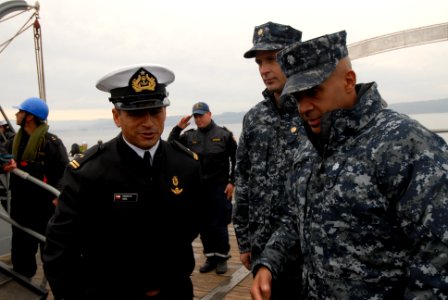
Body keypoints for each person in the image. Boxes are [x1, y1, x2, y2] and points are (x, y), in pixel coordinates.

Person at [251, 30, 448, 299]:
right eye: (297, 97)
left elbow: (439, 257)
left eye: (313, 92)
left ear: (348, 80)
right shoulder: (308, 149)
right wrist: (269, 262)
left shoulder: (407, 145)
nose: (304, 107)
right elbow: (293, 220)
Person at [43, 64, 205, 299]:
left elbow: (192, 225)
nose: (148, 122)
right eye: (137, 113)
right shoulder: (88, 173)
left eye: (156, 110)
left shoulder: (186, 165)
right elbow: (59, 248)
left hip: (174, 291)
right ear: (117, 116)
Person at [232, 21, 304, 299]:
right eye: (260, 62)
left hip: (306, 253)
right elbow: (244, 179)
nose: (264, 70)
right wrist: (245, 241)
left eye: (272, 59)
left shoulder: (313, 111)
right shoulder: (254, 118)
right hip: (262, 248)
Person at [3, 97, 68, 279]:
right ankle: (26, 286)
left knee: (51, 255)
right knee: (21, 255)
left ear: (29, 117)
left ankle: (54, 286)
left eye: (20, 112)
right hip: (21, 210)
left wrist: (59, 195)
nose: (16, 114)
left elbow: (65, 172)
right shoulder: (13, 142)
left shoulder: (52, 143)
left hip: (46, 210)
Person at [168, 101, 237, 274]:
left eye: (201, 115)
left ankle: (221, 258)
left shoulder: (224, 135)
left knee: (219, 223)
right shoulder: (189, 136)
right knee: (203, 224)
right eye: (196, 116)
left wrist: (232, 182)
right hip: (198, 187)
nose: (199, 119)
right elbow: (170, 146)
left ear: (210, 114)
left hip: (219, 186)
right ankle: (210, 257)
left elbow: (238, 160)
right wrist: (178, 128)